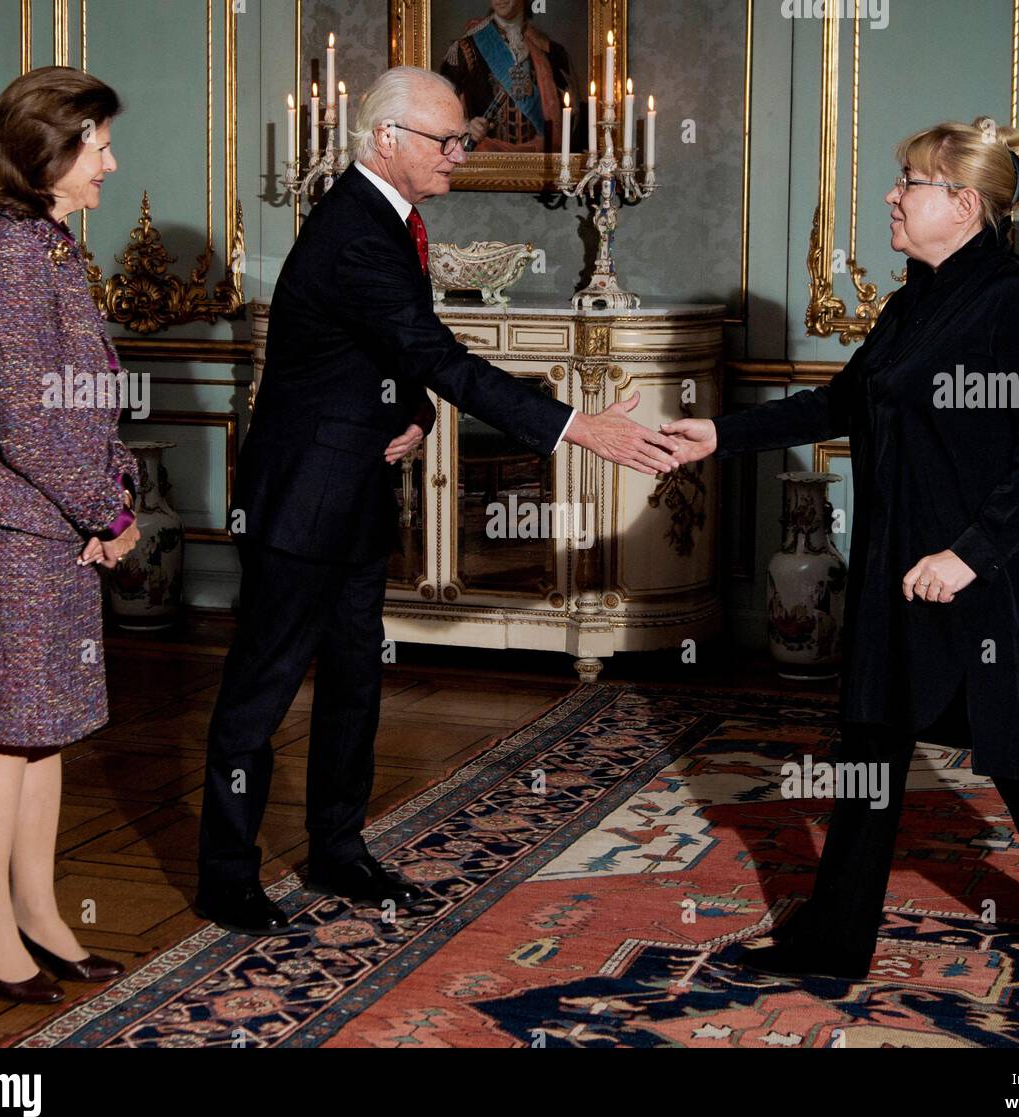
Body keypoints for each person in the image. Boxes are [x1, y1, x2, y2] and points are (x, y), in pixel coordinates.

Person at [662, 116, 1019, 995]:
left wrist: (969, 556)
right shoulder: (913, 299)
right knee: (872, 742)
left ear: (964, 204)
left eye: (910, 182)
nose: (892, 195)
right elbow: (842, 403)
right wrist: (717, 435)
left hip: (992, 576)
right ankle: (836, 935)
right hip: (902, 565)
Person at [194, 66, 679, 935]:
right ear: (387, 140)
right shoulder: (353, 231)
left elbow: (395, 357)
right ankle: (225, 877)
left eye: (463, 138)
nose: (463, 152)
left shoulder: (390, 221)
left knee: (354, 685)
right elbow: (437, 352)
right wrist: (574, 426)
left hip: (352, 492)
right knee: (258, 699)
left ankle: (338, 850)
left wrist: (412, 415)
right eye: (447, 140)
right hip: (302, 502)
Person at [0, 66, 140, 1004]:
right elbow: (25, 423)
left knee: (45, 728)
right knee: (1, 734)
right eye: (96, 142)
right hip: (16, 524)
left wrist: (114, 495)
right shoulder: (14, 253)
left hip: (53, 520)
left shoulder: (45, 243)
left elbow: (85, 396)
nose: (109, 159)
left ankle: (37, 910)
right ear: (47, 150)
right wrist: (104, 511)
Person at [439, 0, 577, 152]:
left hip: (542, 167)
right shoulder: (465, 49)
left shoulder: (553, 53)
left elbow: (573, 118)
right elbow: (439, 108)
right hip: (483, 166)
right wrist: (466, 127)